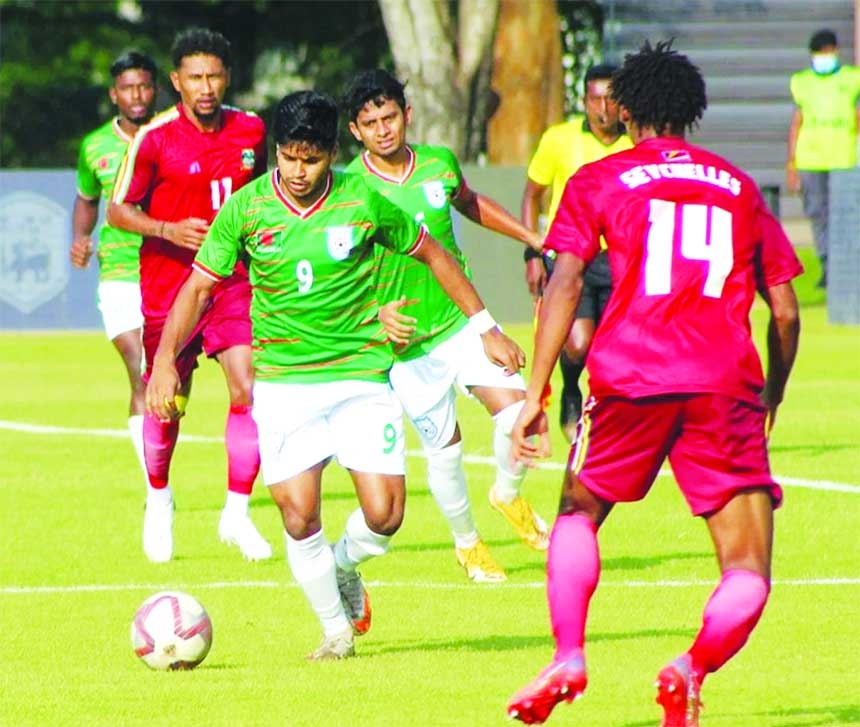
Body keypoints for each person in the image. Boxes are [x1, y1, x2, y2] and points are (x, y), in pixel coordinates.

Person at [143, 90, 525, 659]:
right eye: (289, 157)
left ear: (330, 153)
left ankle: (345, 564)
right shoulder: (246, 210)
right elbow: (198, 287)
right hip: (284, 385)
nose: (299, 171)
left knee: (385, 514)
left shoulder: (362, 199)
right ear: (276, 151)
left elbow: (435, 255)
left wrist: (486, 326)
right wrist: (164, 365)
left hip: (360, 377)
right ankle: (336, 633)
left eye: (312, 159)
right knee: (298, 516)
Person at [506, 41, 802, 726]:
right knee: (747, 570)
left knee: (579, 513)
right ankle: (689, 667)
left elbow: (564, 282)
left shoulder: (600, 180)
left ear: (625, 108)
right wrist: (773, 390)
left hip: (629, 375)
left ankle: (569, 654)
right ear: (692, 112)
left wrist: (536, 393)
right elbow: (784, 309)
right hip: (723, 381)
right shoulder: (738, 185)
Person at [342, 69, 547, 584]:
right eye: (371, 123)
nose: (383, 129)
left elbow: (471, 202)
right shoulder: (349, 188)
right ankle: (468, 544)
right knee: (446, 449)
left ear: (406, 115)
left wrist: (531, 235)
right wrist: (375, 313)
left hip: (464, 321)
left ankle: (507, 492)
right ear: (355, 131)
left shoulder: (438, 164)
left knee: (520, 414)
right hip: (407, 343)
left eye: (389, 116)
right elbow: (339, 273)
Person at [108, 28, 271, 564]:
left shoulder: (250, 130)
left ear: (228, 76)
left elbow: (266, 192)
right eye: (195, 77)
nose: (206, 87)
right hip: (168, 287)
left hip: (231, 283)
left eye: (215, 75)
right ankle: (159, 498)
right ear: (176, 81)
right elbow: (118, 211)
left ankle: (237, 514)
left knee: (248, 385)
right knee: (167, 401)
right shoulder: (153, 138)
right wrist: (166, 229)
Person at [521, 64, 631, 442]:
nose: (603, 107)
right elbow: (533, 193)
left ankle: (609, 418)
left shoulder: (634, 142)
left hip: (618, 257)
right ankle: (571, 390)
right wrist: (532, 251)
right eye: (595, 98)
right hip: (570, 255)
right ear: (583, 101)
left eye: (611, 98)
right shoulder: (559, 139)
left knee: (614, 345)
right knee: (579, 341)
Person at [70, 50, 158, 484]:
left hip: (170, 270)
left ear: (156, 88)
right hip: (120, 272)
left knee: (170, 378)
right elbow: (87, 199)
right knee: (140, 367)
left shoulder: (172, 134)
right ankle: (156, 485)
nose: (136, 95)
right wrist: (80, 239)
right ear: (113, 94)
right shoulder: (95, 145)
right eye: (127, 87)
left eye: (143, 85)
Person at [786, 28, 860, 289]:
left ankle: (846, 266)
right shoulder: (802, 82)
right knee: (818, 214)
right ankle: (827, 265)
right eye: (820, 53)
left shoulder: (852, 79)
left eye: (828, 51)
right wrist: (792, 162)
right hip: (811, 158)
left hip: (844, 157)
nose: (825, 57)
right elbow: (797, 122)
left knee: (845, 216)